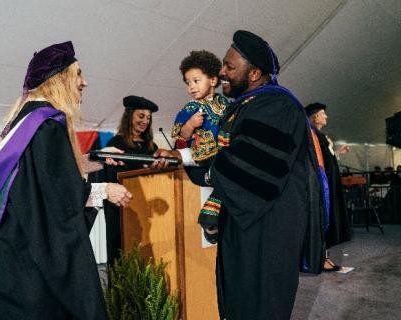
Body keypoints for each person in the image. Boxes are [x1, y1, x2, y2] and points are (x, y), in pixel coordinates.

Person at [153, 30, 326, 319]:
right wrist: (181, 155)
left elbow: (248, 170)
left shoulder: (275, 105)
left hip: (267, 231)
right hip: (248, 224)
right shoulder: (248, 106)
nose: (222, 72)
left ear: (255, 72)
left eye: (230, 67)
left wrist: (196, 166)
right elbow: (226, 159)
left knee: (258, 306)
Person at [0, 41, 132, 319]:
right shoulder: (46, 124)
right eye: (78, 74)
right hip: (30, 275)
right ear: (59, 79)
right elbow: (61, 200)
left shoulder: (23, 121)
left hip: (8, 264)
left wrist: (95, 159)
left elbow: (45, 174)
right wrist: (105, 190)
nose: (84, 82)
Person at [171, 50, 230, 243]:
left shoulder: (225, 103)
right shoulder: (190, 108)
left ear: (213, 80)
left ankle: (211, 224)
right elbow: (181, 134)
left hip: (223, 156)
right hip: (203, 161)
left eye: (196, 81)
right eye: (188, 83)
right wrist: (190, 125)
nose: (191, 87)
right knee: (224, 179)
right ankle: (210, 223)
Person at [103, 95, 159, 265]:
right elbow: (110, 177)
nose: (145, 121)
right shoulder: (117, 143)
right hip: (122, 209)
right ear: (129, 116)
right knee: (122, 252)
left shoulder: (151, 146)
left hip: (147, 208)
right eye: (141, 116)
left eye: (148, 118)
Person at [306, 102, 352, 272]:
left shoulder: (320, 136)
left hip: (328, 185)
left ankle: (324, 257)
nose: (326, 116)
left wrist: (336, 152)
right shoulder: (313, 136)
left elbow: (327, 160)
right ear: (315, 116)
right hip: (321, 186)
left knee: (327, 218)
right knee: (322, 219)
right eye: (323, 113)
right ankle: (320, 258)